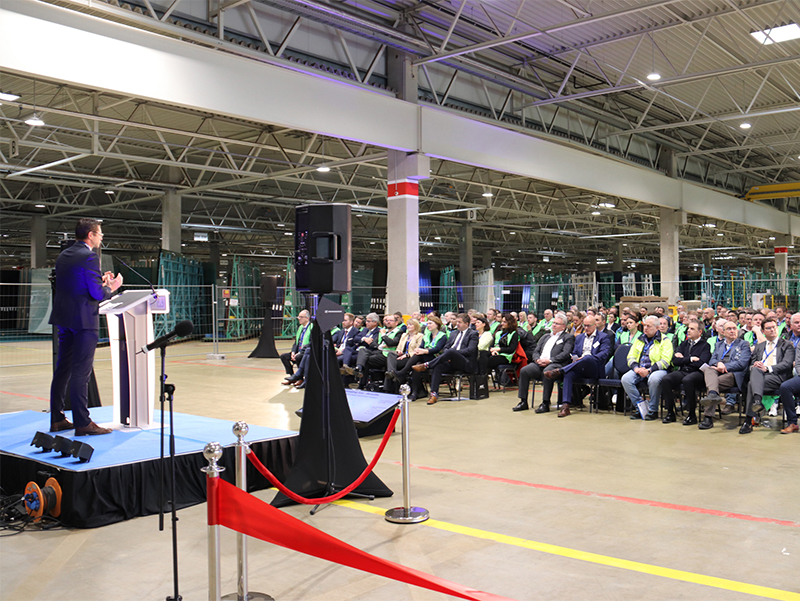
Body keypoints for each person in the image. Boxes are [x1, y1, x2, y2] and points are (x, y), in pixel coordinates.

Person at [49, 218, 123, 435]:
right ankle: (83, 422)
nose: (101, 238)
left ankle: (57, 418)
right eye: (100, 234)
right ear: (90, 234)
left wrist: (99, 280)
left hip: (65, 319)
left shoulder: (65, 255)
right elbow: (97, 295)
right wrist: (112, 287)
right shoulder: (90, 256)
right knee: (81, 372)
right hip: (83, 321)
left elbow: (76, 284)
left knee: (62, 370)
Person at [545, 315, 612, 417]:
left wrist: (587, 357)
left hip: (595, 368)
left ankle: (560, 370)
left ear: (595, 325)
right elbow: (575, 352)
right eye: (584, 326)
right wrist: (575, 357)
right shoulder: (580, 337)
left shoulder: (603, 337)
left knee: (587, 357)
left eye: (589, 326)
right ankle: (565, 406)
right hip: (580, 367)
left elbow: (604, 354)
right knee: (569, 373)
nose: (586, 328)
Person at [739, 318, 796, 434]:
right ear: (763, 331)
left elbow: (787, 364)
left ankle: (748, 420)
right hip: (760, 376)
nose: (772, 330)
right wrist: (755, 365)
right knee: (755, 370)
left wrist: (768, 368)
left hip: (778, 376)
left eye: (774, 327)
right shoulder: (760, 346)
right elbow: (751, 363)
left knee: (751, 384)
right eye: (768, 328)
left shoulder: (787, 345)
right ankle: (757, 401)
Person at [411, 313, 478, 405]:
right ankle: (434, 394)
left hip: (465, 363)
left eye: (460, 322)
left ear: (466, 324)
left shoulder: (473, 334)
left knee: (451, 351)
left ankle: (427, 365)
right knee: (438, 365)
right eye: (456, 322)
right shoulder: (454, 333)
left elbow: (470, 350)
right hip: (450, 361)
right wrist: (449, 355)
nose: (457, 324)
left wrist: (453, 354)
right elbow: (446, 347)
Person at [514, 313, 574, 413]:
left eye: (557, 324)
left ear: (563, 326)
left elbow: (566, 354)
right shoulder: (545, 336)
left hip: (555, 364)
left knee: (548, 371)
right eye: (554, 323)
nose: (554, 325)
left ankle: (545, 403)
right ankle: (523, 401)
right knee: (524, 371)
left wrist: (550, 360)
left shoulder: (568, 337)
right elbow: (536, 350)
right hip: (540, 363)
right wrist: (537, 360)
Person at [698, 322, 751, 430]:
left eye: (734, 328)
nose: (732, 331)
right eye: (729, 329)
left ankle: (708, 417)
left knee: (712, 384)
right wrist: (718, 364)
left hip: (734, 375)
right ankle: (713, 394)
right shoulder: (719, 344)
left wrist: (723, 366)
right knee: (708, 369)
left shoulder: (744, 344)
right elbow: (712, 360)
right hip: (717, 372)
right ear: (723, 332)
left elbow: (742, 364)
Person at [623, 316, 674, 421]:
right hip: (640, 368)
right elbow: (631, 356)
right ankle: (640, 408)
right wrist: (636, 368)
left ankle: (653, 410)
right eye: (644, 325)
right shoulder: (640, 339)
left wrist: (649, 370)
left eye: (649, 326)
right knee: (626, 379)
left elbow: (665, 361)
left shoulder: (665, 341)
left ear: (657, 327)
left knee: (654, 379)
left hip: (657, 370)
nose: (645, 328)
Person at [660, 319, 711, 425]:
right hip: (684, 371)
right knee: (666, 379)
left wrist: (684, 360)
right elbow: (674, 361)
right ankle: (670, 413)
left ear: (700, 332)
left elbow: (701, 363)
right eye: (688, 328)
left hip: (697, 373)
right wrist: (691, 359)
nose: (688, 330)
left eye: (692, 329)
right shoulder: (684, 344)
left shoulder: (705, 345)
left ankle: (692, 415)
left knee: (688, 380)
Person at [390, 315, 448, 386]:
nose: (428, 325)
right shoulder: (427, 335)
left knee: (419, 355)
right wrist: (418, 350)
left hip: (435, 358)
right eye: (427, 324)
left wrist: (423, 351)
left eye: (430, 323)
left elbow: (437, 349)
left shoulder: (442, 336)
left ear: (437, 324)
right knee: (416, 366)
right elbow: (421, 347)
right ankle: (415, 392)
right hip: (425, 357)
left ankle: (402, 372)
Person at [383, 318, 423, 393]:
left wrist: (407, 355)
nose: (408, 326)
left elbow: (418, 349)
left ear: (416, 326)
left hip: (411, 358)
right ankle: (392, 373)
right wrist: (399, 351)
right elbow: (399, 347)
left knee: (391, 364)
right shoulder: (404, 335)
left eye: (411, 325)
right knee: (391, 355)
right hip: (401, 356)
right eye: (408, 324)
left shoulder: (419, 336)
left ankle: (388, 387)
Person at [281, 310, 311, 383]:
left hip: (306, 352)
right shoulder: (300, 328)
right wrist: (293, 352)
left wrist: (300, 352)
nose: (298, 318)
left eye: (301, 317)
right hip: (298, 350)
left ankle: (300, 378)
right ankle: (292, 376)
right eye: (298, 316)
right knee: (284, 356)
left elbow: (311, 343)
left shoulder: (311, 328)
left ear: (307, 318)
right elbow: (296, 342)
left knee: (298, 357)